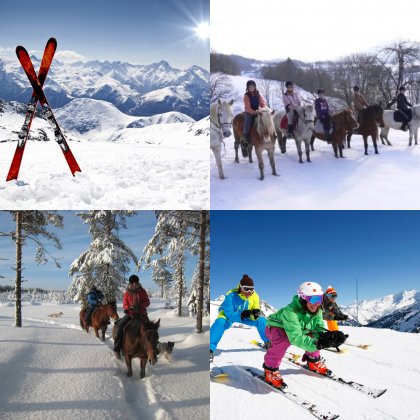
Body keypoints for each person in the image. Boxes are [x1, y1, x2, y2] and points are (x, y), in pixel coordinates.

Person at [262, 282, 348, 389]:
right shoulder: (290, 312)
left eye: (319, 299)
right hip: (276, 327)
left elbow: (318, 328)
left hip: (298, 327)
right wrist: (319, 344)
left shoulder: (317, 310)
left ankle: (313, 360)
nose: (317, 304)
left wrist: (328, 336)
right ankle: (270, 370)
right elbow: (296, 338)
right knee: (283, 339)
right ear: (303, 298)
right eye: (313, 299)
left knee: (314, 335)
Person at [210, 274, 269, 362]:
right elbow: (229, 313)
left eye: (252, 289)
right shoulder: (231, 295)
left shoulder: (255, 295)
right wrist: (241, 314)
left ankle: (268, 342)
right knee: (220, 323)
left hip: (245, 315)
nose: (249, 292)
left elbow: (255, 308)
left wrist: (255, 314)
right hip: (228, 314)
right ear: (241, 287)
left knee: (261, 320)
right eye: (246, 289)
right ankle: (210, 348)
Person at [113, 274, 150, 358]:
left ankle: (154, 346)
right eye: (132, 283)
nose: (134, 284)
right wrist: (128, 307)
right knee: (121, 326)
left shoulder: (142, 291)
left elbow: (147, 302)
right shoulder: (127, 293)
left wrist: (141, 305)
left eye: (136, 282)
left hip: (141, 314)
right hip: (130, 314)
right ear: (130, 284)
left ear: (138, 282)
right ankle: (117, 347)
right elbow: (124, 304)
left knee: (151, 327)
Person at [321, 286, 349, 351]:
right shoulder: (320, 301)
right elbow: (319, 315)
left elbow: (337, 311)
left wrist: (342, 316)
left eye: (335, 296)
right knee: (321, 323)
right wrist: (334, 317)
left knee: (332, 321)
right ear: (327, 295)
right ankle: (322, 339)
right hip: (316, 316)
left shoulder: (333, 303)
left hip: (327, 315)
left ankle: (335, 335)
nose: (334, 298)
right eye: (332, 296)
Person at [242, 80, 266, 147]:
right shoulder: (246, 96)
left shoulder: (258, 94)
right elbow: (248, 106)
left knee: (265, 121)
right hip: (249, 112)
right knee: (247, 123)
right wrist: (253, 112)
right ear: (247, 88)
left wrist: (264, 108)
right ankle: (245, 139)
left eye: (253, 86)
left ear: (255, 87)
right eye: (250, 87)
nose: (251, 88)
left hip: (258, 111)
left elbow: (261, 102)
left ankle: (266, 136)